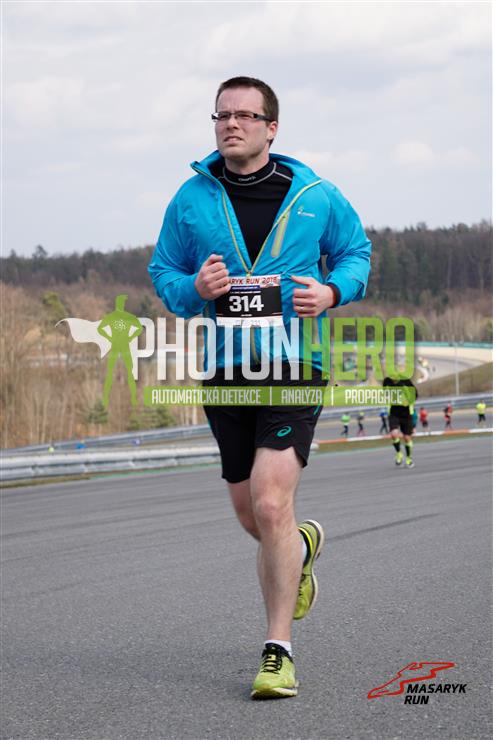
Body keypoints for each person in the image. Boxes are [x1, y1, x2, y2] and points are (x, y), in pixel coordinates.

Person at [149, 76, 371, 699]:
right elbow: (164, 271)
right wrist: (194, 289)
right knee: (252, 513)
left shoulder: (316, 195)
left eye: (246, 115)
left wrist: (331, 291)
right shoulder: (191, 198)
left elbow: (355, 253)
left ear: (272, 127)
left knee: (271, 503)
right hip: (226, 370)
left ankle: (278, 652)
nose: (231, 124)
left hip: (295, 364)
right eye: (222, 114)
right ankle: (299, 548)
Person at [382, 374, 418, 468]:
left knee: (407, 438)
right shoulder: (387, 381)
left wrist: (408, 400)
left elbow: (415, 394)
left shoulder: (406, 381)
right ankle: (399, 453)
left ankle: (409, 458)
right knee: (394, 434)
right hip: (394, 413)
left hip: (406, 413)